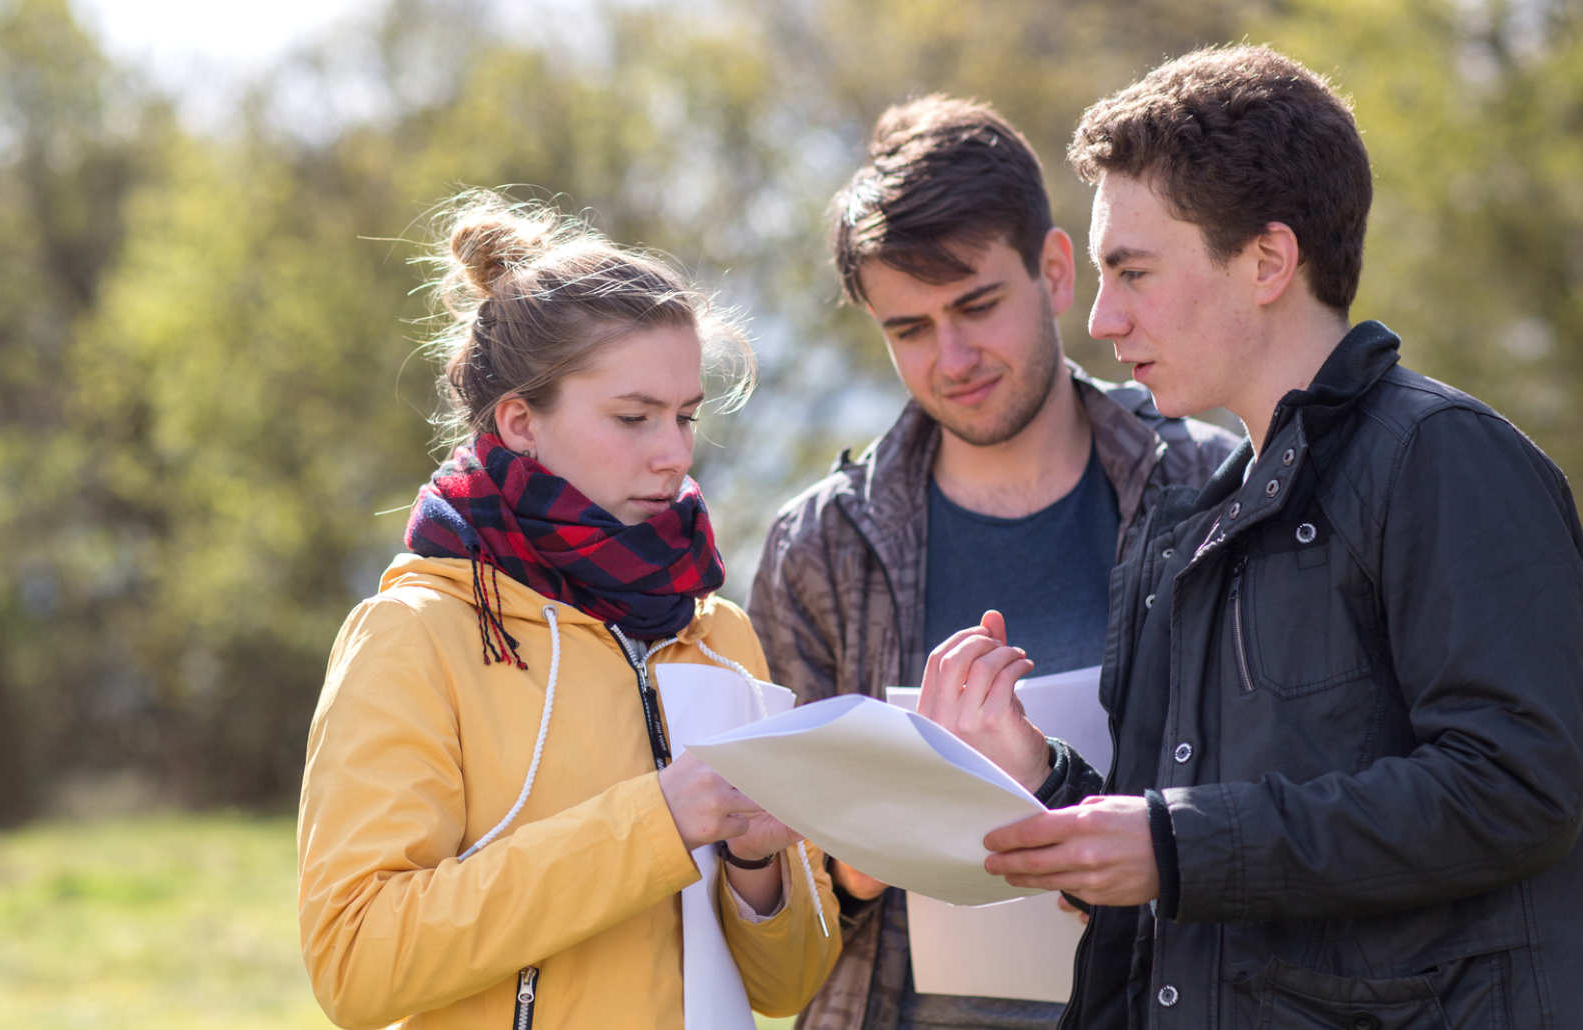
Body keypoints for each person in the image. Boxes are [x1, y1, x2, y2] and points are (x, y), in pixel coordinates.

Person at [921, 44, 1583, 1029]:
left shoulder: (1442, 460)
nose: (1101, 318)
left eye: (1131, 270)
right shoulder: (1183, 520)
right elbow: (1173, 845)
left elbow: (1517, 785)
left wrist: (1175, 842)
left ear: (1266, 261)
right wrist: (1041, 780)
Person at [748, 95, 1235, 1029]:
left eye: (976, 305)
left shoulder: (1213, 487)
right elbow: (776, 899)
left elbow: (1271, 807)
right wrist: (861, 849)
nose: (954, 356)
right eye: (909, 330)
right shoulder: (819, 546)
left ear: (1056, 271)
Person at [297, 190, 840, 1029]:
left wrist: (755, 868)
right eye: (634, 417)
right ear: (519, 422)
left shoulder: (719, 633)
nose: (675, 454)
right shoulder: (413, 634)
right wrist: (655, 822)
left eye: (686, 416)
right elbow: (356, 961)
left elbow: (789, 987)